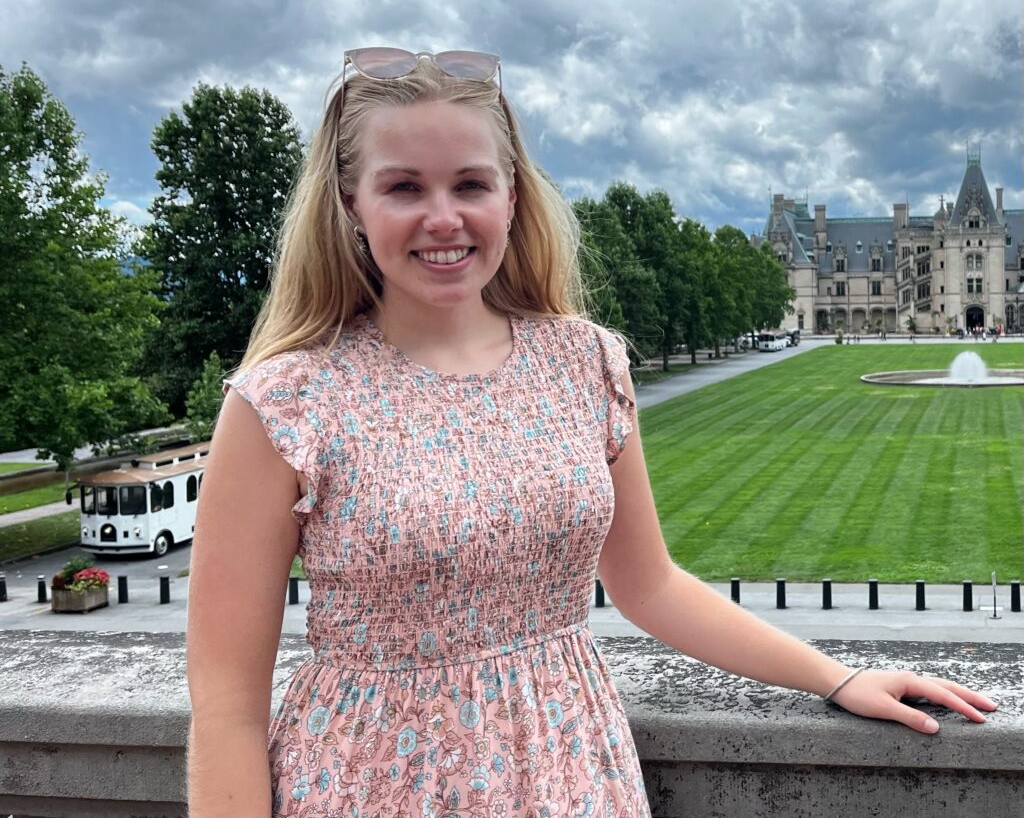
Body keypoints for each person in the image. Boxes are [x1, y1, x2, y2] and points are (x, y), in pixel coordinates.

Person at [185, 48, 998, 818]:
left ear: (512, 195)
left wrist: (837, 676)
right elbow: (226, 707)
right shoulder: (284, 403)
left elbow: (649, 585)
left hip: (569, 765)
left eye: (471, 183)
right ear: (351, 204)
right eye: (403, 187)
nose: (444, 217)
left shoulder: (583, 360)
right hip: (372, 780)